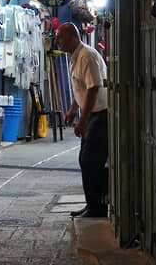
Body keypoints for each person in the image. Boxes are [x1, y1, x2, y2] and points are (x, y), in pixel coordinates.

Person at [56, 22, 109, 218]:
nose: (57, 41)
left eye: (60, 37)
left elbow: (94, 88)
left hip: (101, 113)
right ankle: (93, 203)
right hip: (92, 114)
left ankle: (98, 205)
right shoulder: (74, 57)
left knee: (90, 160)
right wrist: (72, 109)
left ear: (72, 37)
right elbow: (82, 88)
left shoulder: (87, 56)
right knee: (87, 160)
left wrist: (83, 120)